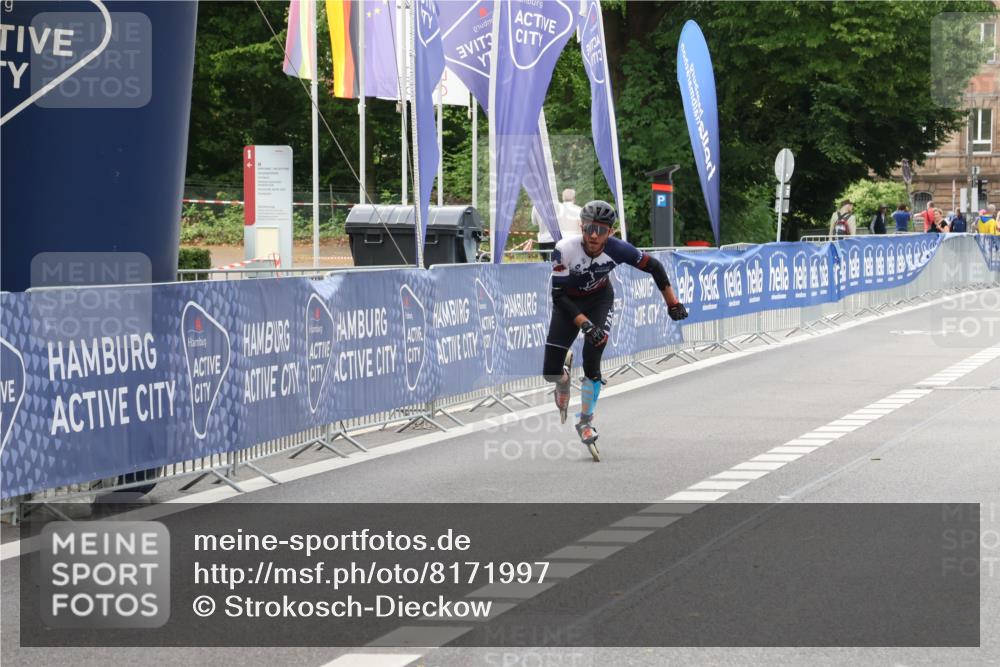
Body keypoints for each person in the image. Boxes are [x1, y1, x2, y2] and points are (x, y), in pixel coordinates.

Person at [544, 200, 688, 462]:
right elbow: (559, 297)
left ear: (611, 232)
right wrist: (585, 325)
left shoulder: (619, 249)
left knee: (593, 358)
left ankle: (585, 420)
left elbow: (654, 267)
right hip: (568, 304)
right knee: (549, 372)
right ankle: (563, 379)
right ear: (581, 226)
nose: (594, 236)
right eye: (589, 228)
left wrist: (672, 303)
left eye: (601, 230)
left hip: (600, 300)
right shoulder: (564, 249)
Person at [534, 189, 582, 260]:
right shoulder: (579, 210)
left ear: (562, 198)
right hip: (574, 241)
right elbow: (582, 226)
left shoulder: (557, 209)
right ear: (574, 198)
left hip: (556, 241)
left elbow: (535, 222)